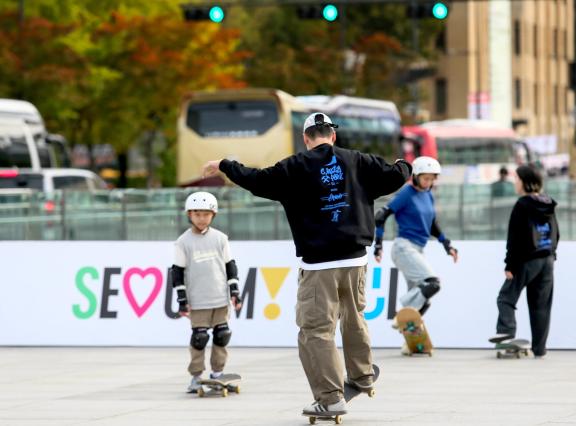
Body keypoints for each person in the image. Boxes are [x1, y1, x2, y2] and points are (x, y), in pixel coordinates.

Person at [202, 112, 411, 417]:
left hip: (319, 266)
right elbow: (396, 175)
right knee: (353, 317)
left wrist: (225, 165)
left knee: (315, 330)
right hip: (356, 260)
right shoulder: (358, 161)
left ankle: (329, 397)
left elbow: (256, 180)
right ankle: (362, 374)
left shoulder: (293, 167)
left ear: (306, 139)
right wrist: (406, 162)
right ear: (333, 136)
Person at [373, 156, 458, 351]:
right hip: (404, 248)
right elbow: (381, 215)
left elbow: (433, 225)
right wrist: (378, 245)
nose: (429, 183)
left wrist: (447, 245)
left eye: (432, 179)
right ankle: (400, 312)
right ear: (416, 176)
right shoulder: (407, 193)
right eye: (426, 178)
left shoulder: (428, 195)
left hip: (418, 249)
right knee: (432, 284)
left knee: (423, 301)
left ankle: (408, 342)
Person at [170, 191, 243, 393]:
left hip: (220, 298)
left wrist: (235, 291)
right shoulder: (183, 242)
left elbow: (230, 266)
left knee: (222, 335)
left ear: (213, 215)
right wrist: (182, 299)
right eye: (197, 214)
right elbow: (177, 272)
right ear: (189, 215)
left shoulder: (220, 239)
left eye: (206, 214)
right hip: (198, 300)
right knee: (199, 338)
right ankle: (195, 376)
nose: (201, 218)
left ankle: (217, 374)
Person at [489, 165, 559, 359]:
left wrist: (510, 265)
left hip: (527, 260)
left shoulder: (522, 204)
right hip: (547, 259)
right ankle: (540, 348)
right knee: (541, 306)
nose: (515, 183)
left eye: (517, 179)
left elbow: (515, 237)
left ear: (525, 182)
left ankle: (505, 336)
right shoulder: (549, 203)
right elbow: (556, 232)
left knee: (505, 297)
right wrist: (552, 254)